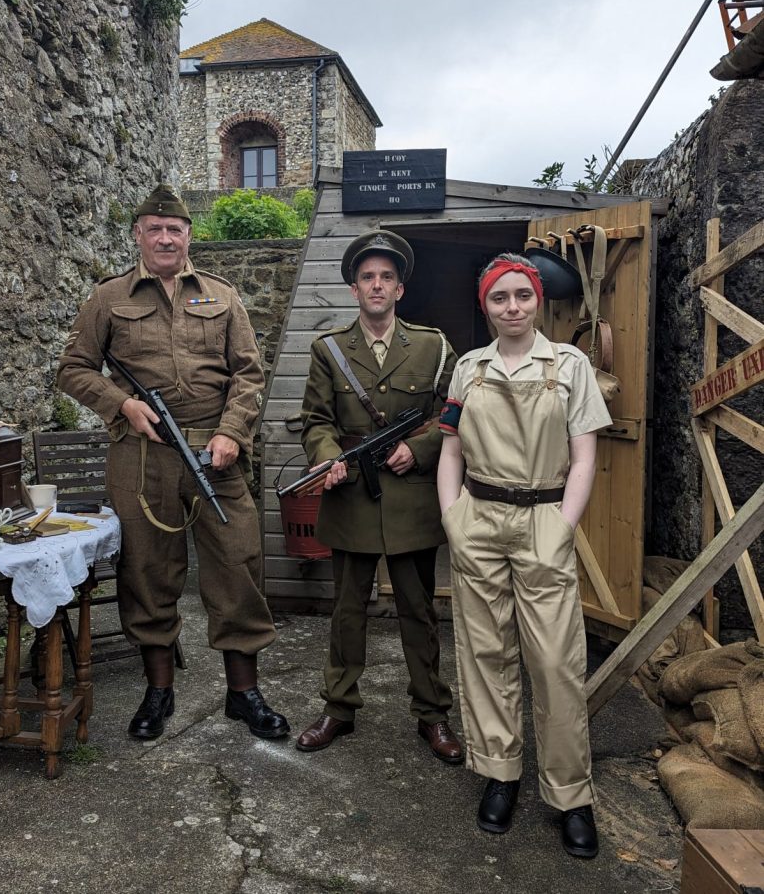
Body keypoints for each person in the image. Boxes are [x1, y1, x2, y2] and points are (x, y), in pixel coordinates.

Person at [56, 184, 289, 742]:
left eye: (175, 230)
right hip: (143, 460)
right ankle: (158, 691)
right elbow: (74, 368)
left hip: (216, 455)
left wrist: (233, 432)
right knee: (147, 572)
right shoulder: (109, 297)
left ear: (188, 236)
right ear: (138, 234)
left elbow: (250, 374)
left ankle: (244, 694)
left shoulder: (222, 296)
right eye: (154, 229)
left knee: (238, 564)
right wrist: (123, 405)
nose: (165, 238)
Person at [436, 251, 612, 858]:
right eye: (498, 298)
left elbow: (585, 455)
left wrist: (563, 526)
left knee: (556, 662)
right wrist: (452, 516)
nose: (511, 308)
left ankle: (570, 795)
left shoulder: (571, 364)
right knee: (487, 652)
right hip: (479, 519)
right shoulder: (468, 368)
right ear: (484, 306)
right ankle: (500, 774)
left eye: (522, 296)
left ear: (539, 300)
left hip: (543, 517)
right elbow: (452, 449)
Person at [294, 229, 463, 763]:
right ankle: (339, 709)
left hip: (412, 497)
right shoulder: (329, 350)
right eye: (367, 276)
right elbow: (315, 420)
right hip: (351, 495)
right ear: (353, 288)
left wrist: (422, 449)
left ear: (400, 289)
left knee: (418, 610)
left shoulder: (434, 347)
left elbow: (455, 413)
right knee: (347, 609)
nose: (376, 285)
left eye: (386, 277)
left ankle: (433, 713)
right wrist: (326, 458)